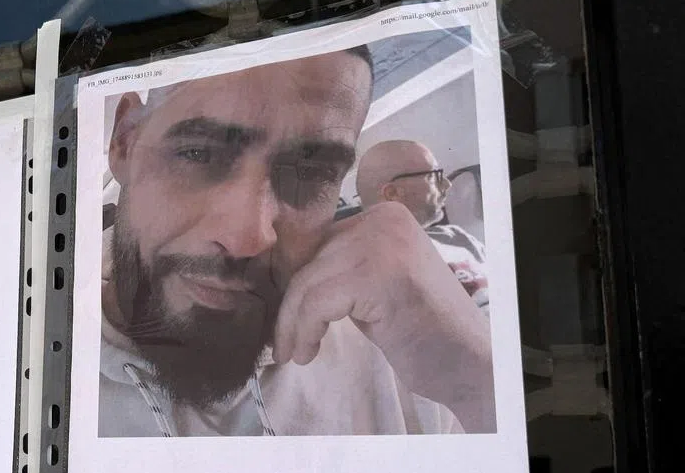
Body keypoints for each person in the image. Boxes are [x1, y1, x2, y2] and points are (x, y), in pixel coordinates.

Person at [99, 46, 495, 437]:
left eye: (310, 173)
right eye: (199, 153)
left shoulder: (399, 358)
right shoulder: (59, 366)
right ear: (124, 142)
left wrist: (475, 379)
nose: (248, 239)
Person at [356, 140, 490, 311]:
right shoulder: (368, 268)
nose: (447, 184)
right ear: (392, 193)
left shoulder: (456, 236)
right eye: (434, 176)